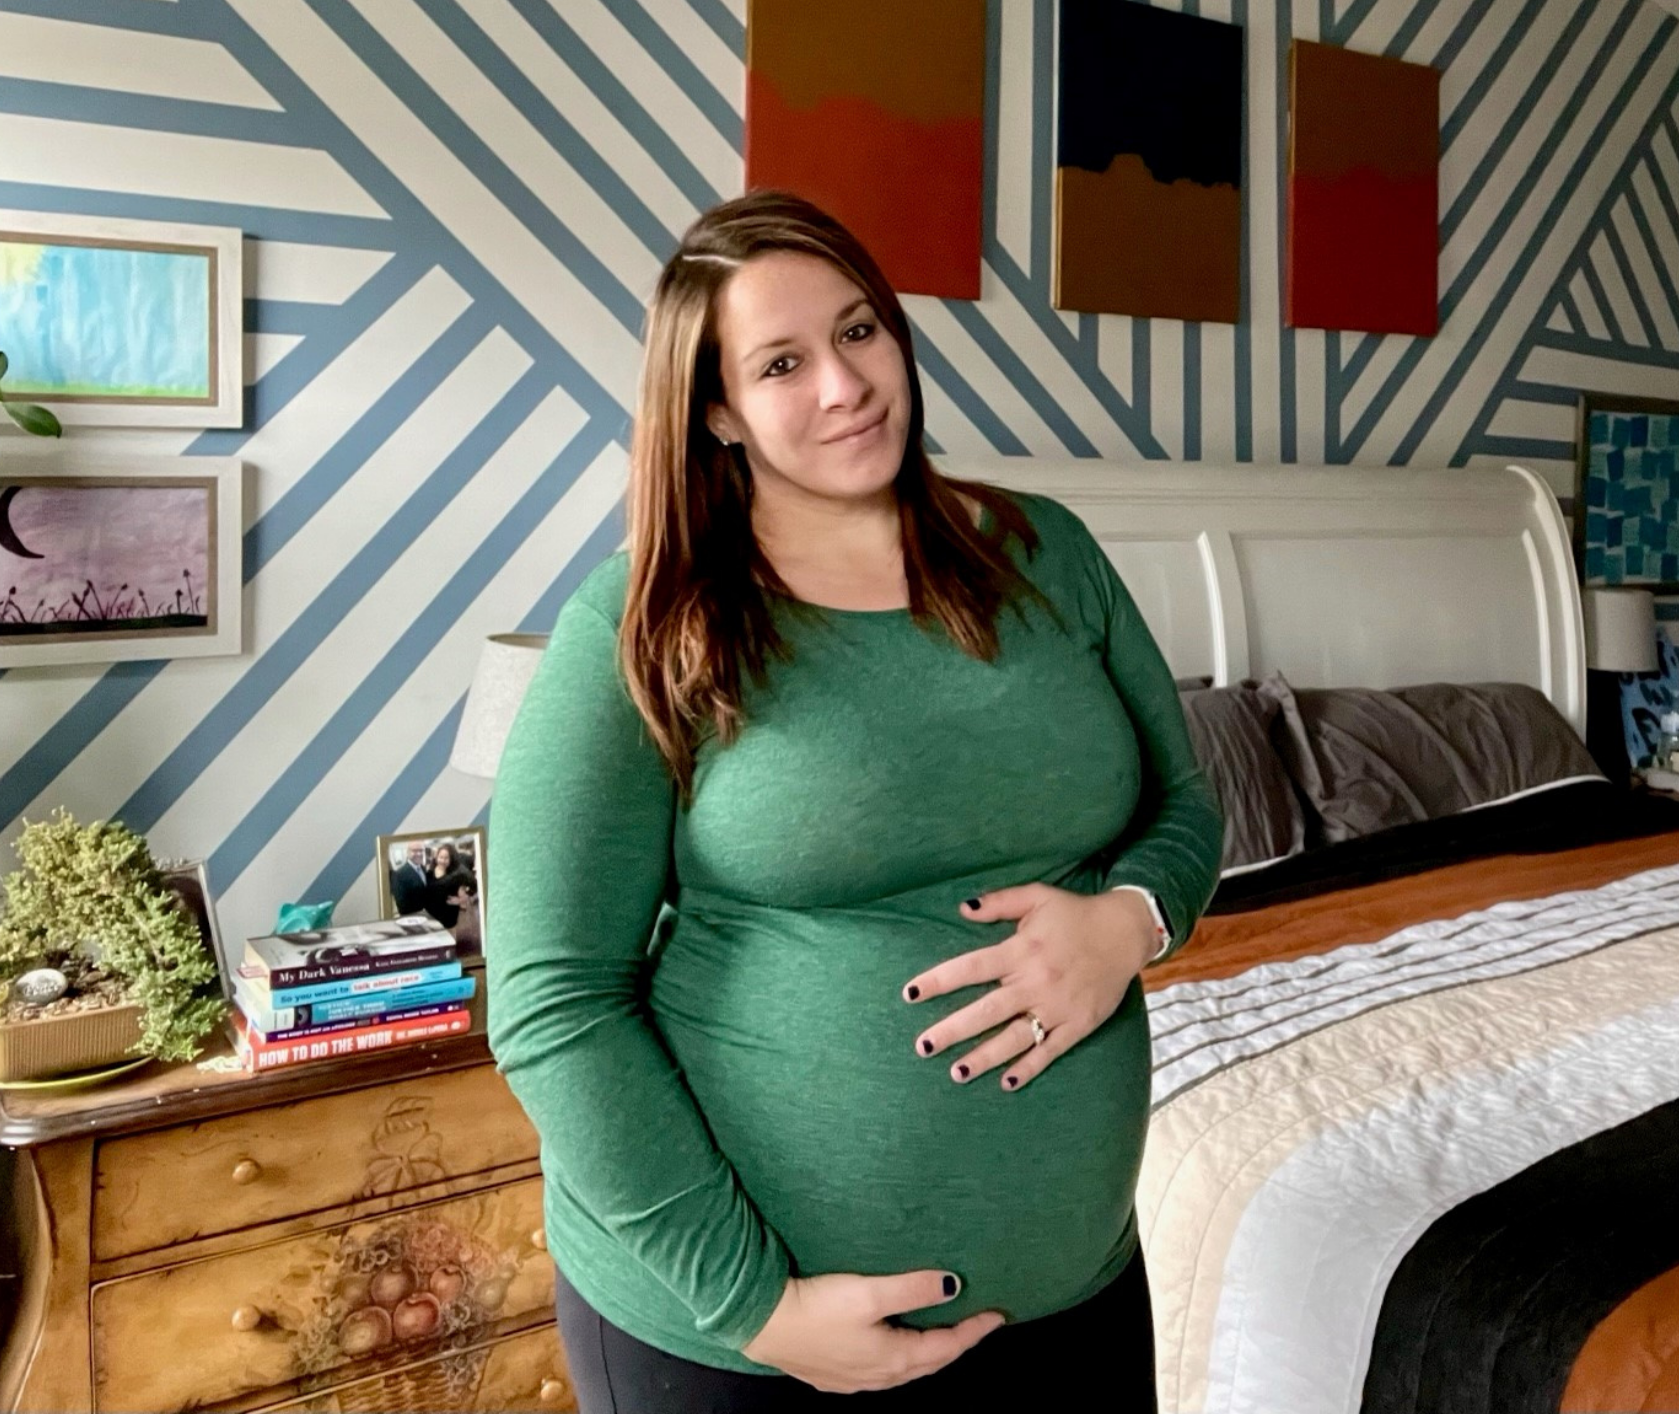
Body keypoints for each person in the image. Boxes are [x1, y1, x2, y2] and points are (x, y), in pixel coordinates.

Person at [485, 191, 1221, 1413]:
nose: (845, 384)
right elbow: (552, 1003)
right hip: (743, 1344)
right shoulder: (643, 625)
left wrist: (1130, 920)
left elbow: (1186, 806)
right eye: (782, 363)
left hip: (1075, 1297)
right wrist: (757, 1306)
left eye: (861, 330)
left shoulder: (1050, 554)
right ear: (716, 408)